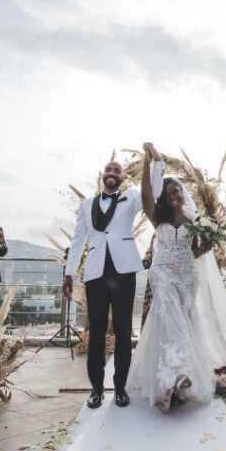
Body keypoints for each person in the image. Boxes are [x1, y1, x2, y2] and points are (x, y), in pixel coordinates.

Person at [127, 143, 226, 411]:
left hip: (186, 274)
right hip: (161, 273)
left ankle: (173, 382)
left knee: (183, 321)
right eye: (170, 192)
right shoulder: (155, 216)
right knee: (170, 316)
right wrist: (148, 162)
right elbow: (146, 191)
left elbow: (196, 251)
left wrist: (207, 245)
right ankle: (177, 375)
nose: (175, 196)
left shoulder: (193, 219)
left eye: (178, 192)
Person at [64, 153, 161, 409]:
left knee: (122, 330)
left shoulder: (130, 198)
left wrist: (156, 162)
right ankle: (96, 389)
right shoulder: (86, 206)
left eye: (118, 171)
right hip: (95, 273)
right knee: (95, 332)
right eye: (110, 169)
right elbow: (77, 241)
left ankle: (120, 387)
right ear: (103, 175)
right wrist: (69, 272)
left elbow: (156, 190)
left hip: (124, 271)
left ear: (122, 177)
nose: (113, 173)